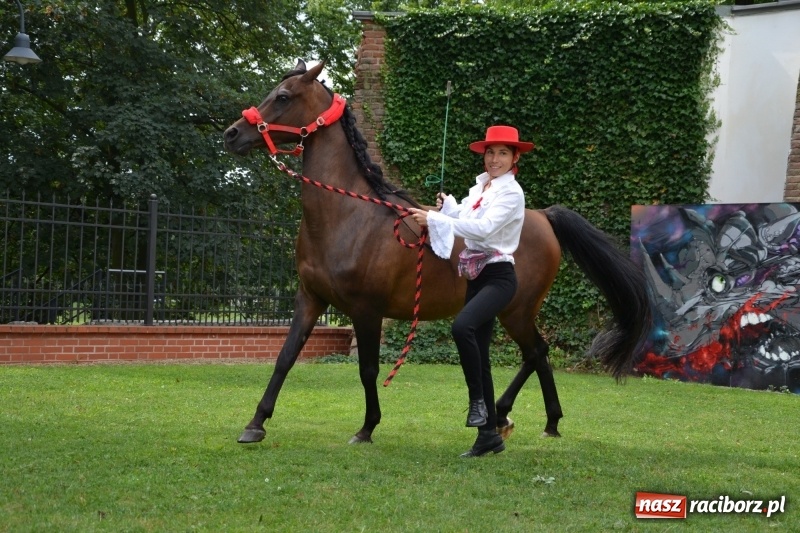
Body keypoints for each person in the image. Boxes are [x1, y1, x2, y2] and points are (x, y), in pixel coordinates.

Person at [409, 125, 533, 458]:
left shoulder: (511, 193)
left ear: (514, 157)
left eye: (503, 153)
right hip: (476, 276)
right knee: (482, 358)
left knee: (462, 326)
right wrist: (447, 208)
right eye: (490, 153)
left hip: (499, 277)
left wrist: (436, 220)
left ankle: (478, 403)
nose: (494, 159)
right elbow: (465, 216)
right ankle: (488, 436)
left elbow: (484, 228)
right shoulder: (481, 187)